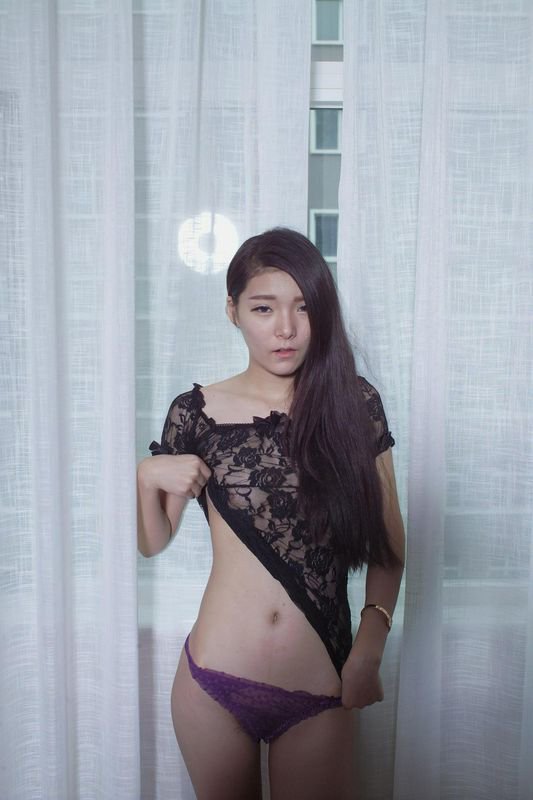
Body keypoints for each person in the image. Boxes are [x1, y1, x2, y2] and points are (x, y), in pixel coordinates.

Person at [136, 228, 405, 800]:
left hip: (320, 685)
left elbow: (389, 548)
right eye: (264, 308)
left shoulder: (354, 405)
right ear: (233, 310)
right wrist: (145, 477)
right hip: (213, 680)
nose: (285, 328)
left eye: (303, 307)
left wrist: (369, 650)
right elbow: (152, 542)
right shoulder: (195, 413)